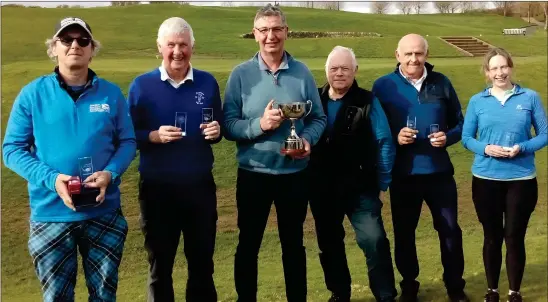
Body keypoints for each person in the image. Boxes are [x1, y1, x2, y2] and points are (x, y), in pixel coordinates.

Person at [2, 17, 136, 302]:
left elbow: (127, 142)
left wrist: (110, 173)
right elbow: (12, 150)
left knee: (104, 296)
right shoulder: (32, 94)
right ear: (54, 48)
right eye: (67, 40)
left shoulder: (111, 94)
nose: (75, 45)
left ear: (91, 50)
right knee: (57, 297)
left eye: (83, 40)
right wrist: (52, 179)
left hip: (104, 213)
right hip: (50, 215)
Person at [223, 4, 326, 302]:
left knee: (293, 245)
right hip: (253, 173)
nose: (271, 36)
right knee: (248, 245)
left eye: (277, 29)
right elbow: (229, 125)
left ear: (286, 32)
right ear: (255, 34)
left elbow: (318, 118)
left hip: (293, 175)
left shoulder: (302, 72)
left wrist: (306, 140)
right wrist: (260, 125)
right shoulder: (241, 75)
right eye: (264, 30)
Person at [127, 17, 222, 302]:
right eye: (171, 45)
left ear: (193, 46)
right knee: (160, 267)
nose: (178, 51)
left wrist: (217, 131)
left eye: (183, 45)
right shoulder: (142, 86)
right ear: (160, 47)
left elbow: (217, 126)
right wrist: (153, 135)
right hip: (157, 190)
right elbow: (128, 135)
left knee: (202, 265)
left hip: (200, 189)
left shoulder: (207, 82)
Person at [372, 33, 469, 302]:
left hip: (439, 174)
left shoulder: (442, 83)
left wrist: (447, 137)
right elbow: (374, 129)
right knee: (404, 234)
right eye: (408, 54)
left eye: (419, 53)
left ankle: (455, 286)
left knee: (450, 231)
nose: (414, 58)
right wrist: (395, 136)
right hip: (403, 175)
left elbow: (460, 123)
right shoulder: (383, 86)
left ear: (426, 54)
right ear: (397, 55)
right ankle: (409, 285)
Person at [309, 46, 397, 302]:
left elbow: (384, 141)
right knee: (329, 244)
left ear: (355, 71)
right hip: (323, 189)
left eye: (345, 68)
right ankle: (339, 293)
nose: (339, 73)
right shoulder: (313, 100)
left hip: (361, 188)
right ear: (326, 71)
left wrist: (382, 182)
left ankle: (385, 294)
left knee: (374, 240)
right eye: (334, 68)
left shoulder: (368, 101)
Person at [461, 48, 547, 302]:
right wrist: (485, 148)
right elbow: (466, 138)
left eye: (503, 67)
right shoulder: (478, 101)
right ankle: (492, 290)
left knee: (513, 236)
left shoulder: (529, 97)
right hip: (486, 179)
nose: (499, 73)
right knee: (492, 236)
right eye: (493, 68)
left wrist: (524, 147)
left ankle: (514, 292)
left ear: (511, 67)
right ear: (487, 73)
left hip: (521, 180)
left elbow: (544, 134)